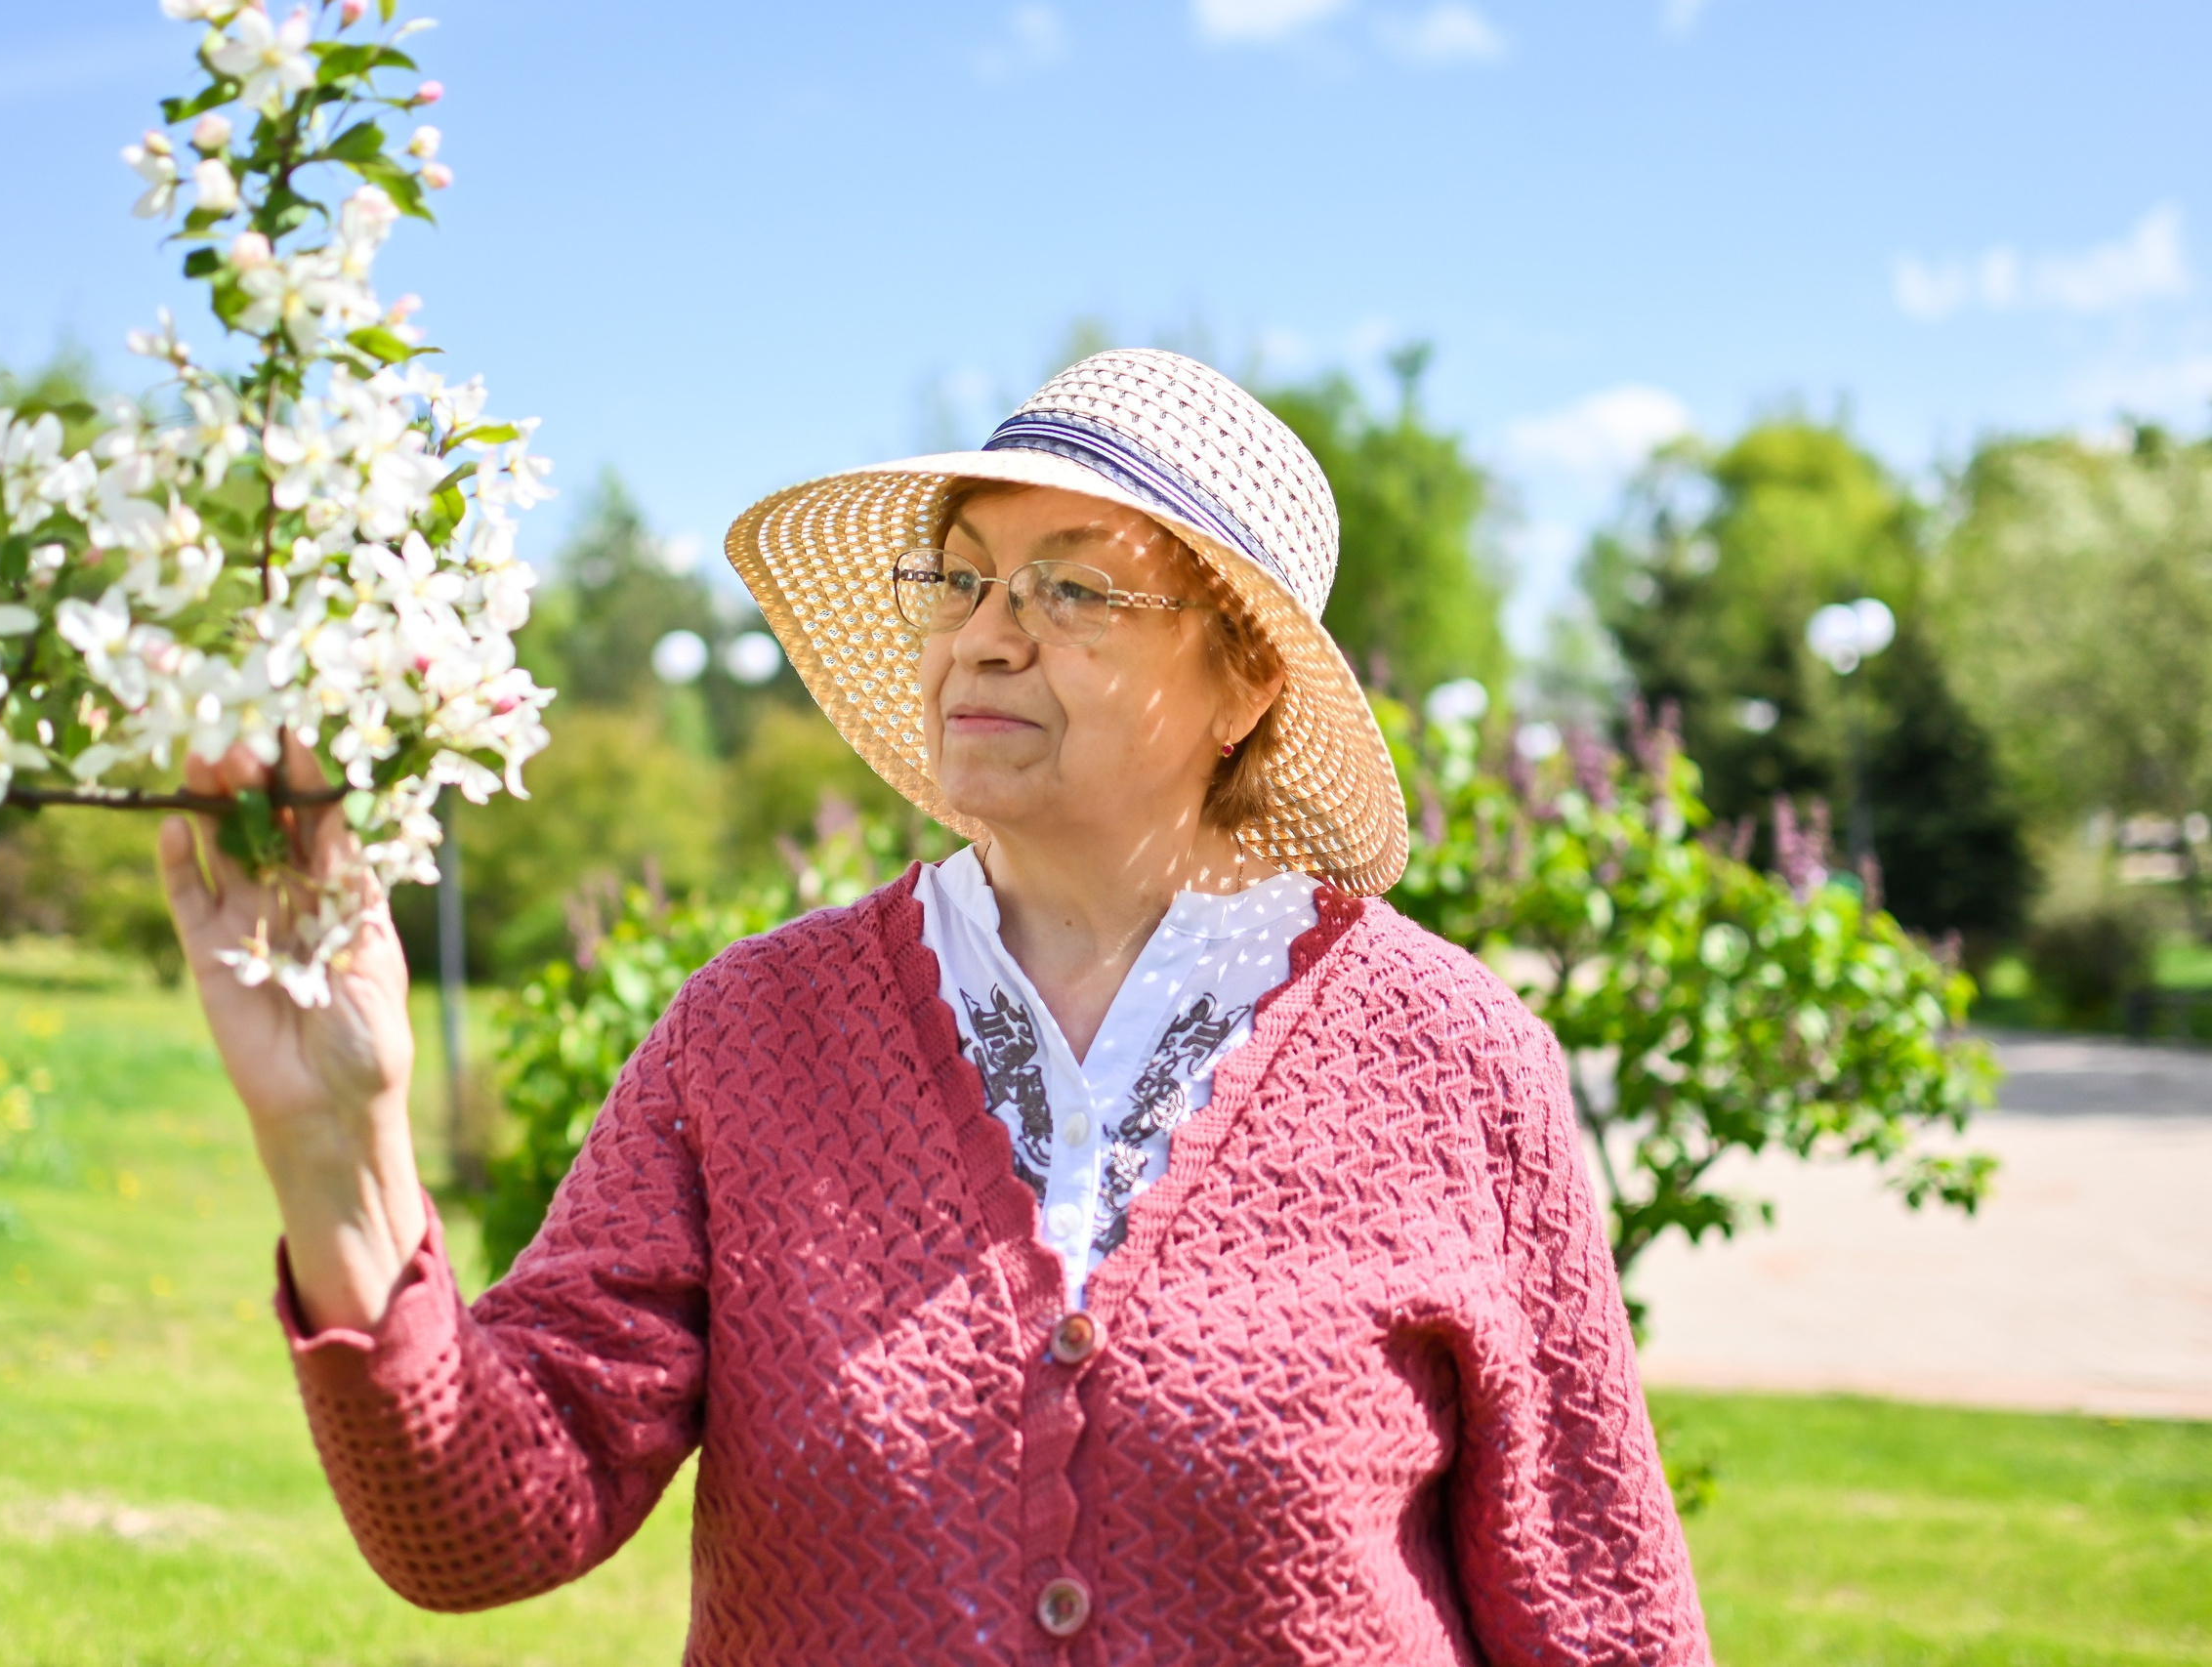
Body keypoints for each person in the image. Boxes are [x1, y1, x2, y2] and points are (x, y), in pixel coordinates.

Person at [162, 350, 1711, 1663]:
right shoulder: (757, 1035)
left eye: (1072, 589)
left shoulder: (1452, 1061)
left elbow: (1604, 1618)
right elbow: (489, 1514)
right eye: (959, 577)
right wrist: (336, 1149)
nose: (987, 628)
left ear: (1246, 685)